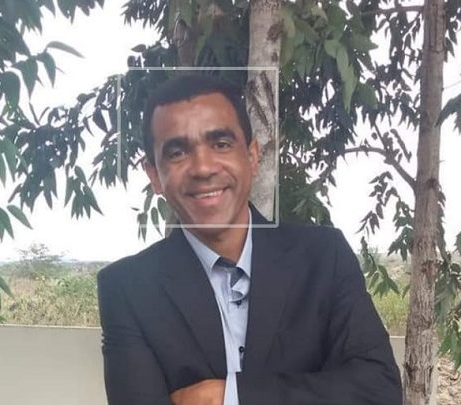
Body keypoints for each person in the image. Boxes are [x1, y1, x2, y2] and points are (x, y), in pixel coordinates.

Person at [97, 74, 402, 405]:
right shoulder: (128, 288)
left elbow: (379, 390)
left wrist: (230, 397)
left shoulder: (323, 258)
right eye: (177, 152)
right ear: (154, 175)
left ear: (253, 156)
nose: (203, 168)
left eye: (221, 144)